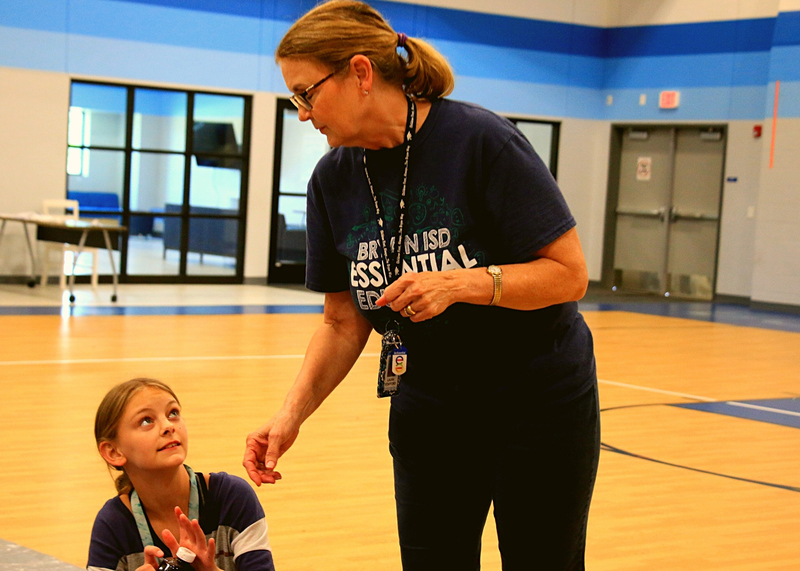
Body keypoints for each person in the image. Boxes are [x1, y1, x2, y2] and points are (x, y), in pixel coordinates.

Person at [244, 1, 600, 569]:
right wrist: (290, 416)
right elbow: (342, 321)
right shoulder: (333, 179)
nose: (305, 113)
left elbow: (568, 274)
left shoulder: (481, 141)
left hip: (537, 401)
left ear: (361, 72)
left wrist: (463, 284)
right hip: (430, 404)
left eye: (307, 93)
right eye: (297, 99)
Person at [89, 378, 276, 571]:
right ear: (114, 452)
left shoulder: (232, 497)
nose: (168, 426)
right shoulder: (112, 524)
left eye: (173, 413)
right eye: (146, 420)